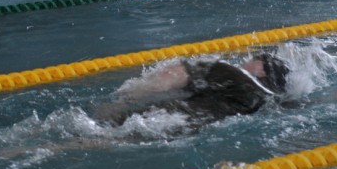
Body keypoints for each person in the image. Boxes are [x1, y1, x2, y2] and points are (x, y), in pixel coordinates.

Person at [102, 53, 292, 129]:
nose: (247, 60)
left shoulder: (234, 74)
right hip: (190, 128)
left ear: (262, 71)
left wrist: (123, 101)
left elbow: (172, 76)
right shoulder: (262, 100)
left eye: (256, 58)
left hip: (164, 116)